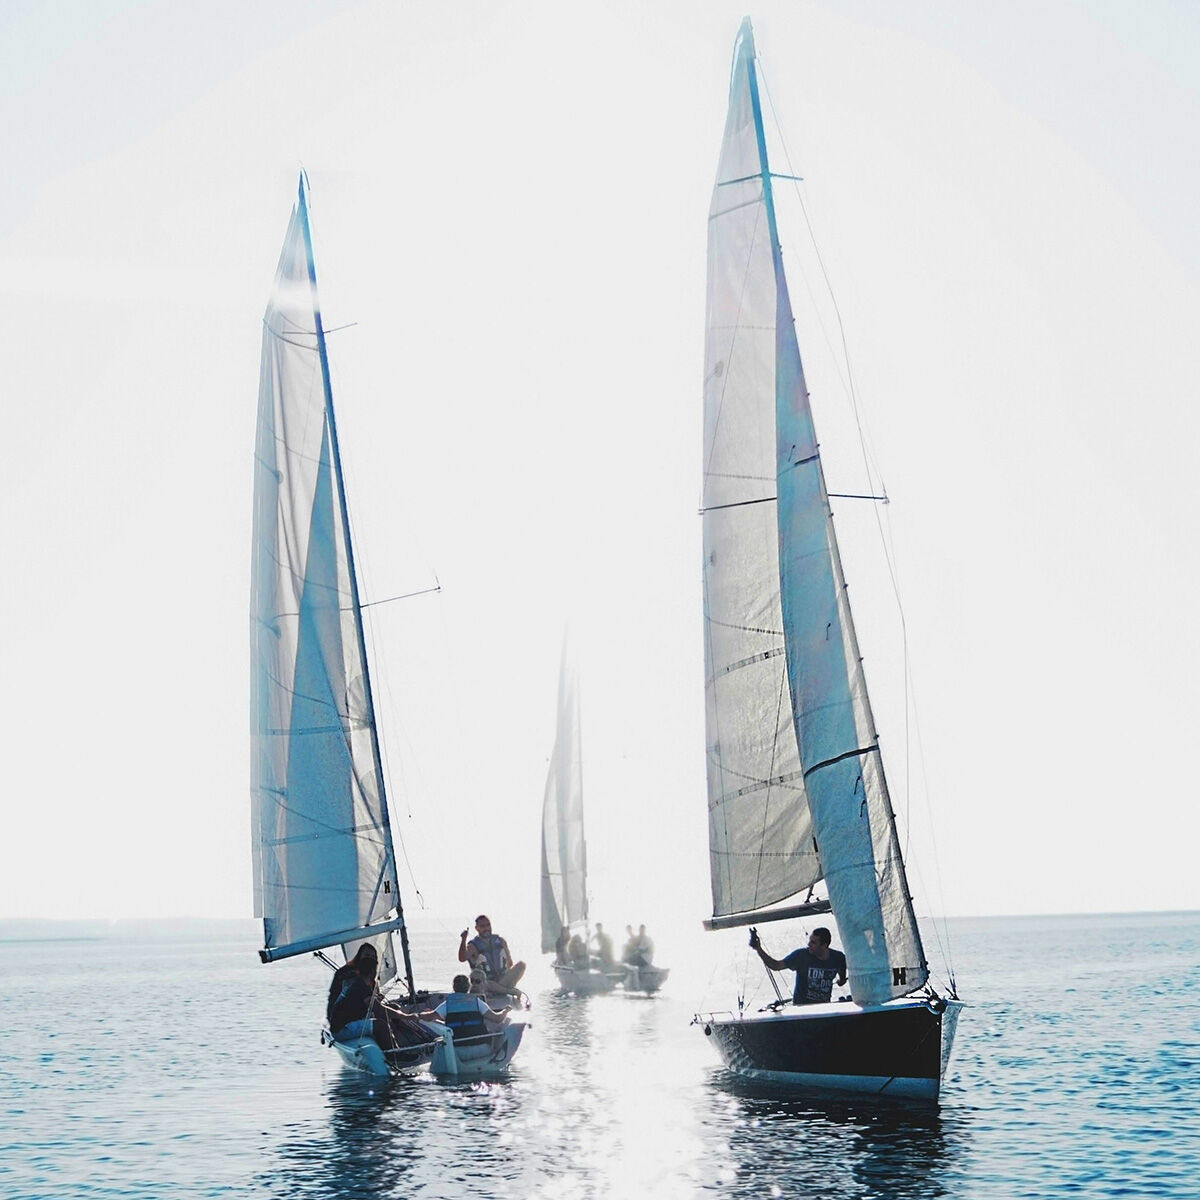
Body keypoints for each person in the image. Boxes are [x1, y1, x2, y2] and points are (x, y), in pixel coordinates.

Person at [326, 943, 437, 1051]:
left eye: (373, 957)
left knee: (392, 1009)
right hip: (342, 1027)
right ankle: (395, 1054)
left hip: (355, 1017)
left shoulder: (366, 982)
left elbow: (373, 1003)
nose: (370, 960)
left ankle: (402, 1042)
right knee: (381, 1024)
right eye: (367, 956)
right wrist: (407, 1016)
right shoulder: (356, 982)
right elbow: (378, 1009)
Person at [749, 926, 847, 1005]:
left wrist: (841, 981)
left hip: (823, 1008)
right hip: (801, 1009)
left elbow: (842, 979)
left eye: (813, 942)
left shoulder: (838, 958)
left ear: (824, 945)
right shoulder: (801, 955)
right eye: (809, 940)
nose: (808, 944)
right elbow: (776, 966)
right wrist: (758, 949)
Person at [420, 975, 509, 1041]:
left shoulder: (447, 1004)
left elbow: (429, 1017)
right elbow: (498, 1019)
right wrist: (506, 1010)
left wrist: (417, 1015)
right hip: (479, 1045)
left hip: (456, 1048)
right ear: (468, 987)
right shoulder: (477, 1002)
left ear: (454, 987)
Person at [458, 914, 526, 998]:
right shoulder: (473, 946)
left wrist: (503, 976)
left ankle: (502, 990)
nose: (486, 928)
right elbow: (462, 958)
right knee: (486, 982)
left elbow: (510, 963)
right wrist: (463, 939)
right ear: (477, 928)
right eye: (483, 926)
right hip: (485, 984)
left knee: (521, 965)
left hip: (501, 981)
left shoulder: (501, 941)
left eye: (488, 925)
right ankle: (507, 991)